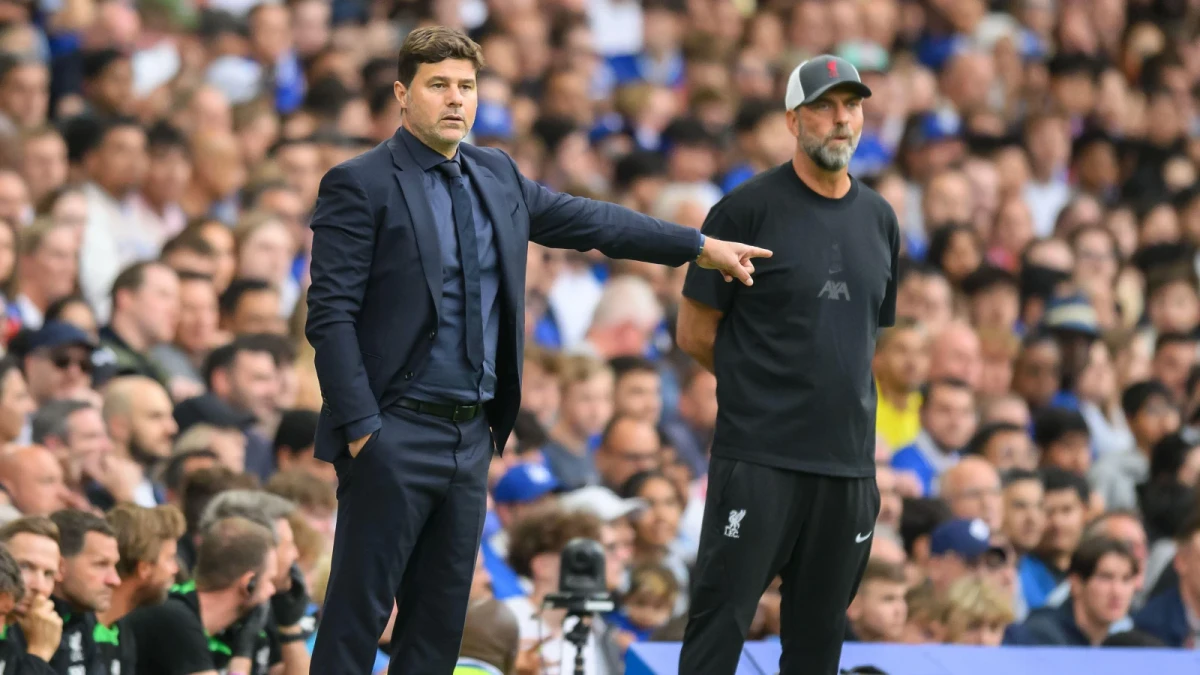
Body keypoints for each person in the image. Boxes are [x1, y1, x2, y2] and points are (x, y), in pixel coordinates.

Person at [304, 26, 769, 673]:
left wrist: (696, 245)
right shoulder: (360, 182)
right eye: (438, 85)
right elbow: (330, 316)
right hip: (394, 431)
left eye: (466, 86)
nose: (456, 99)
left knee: (438, 630)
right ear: (402, 94)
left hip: (472, 438)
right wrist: (362, 432)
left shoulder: (496, 174)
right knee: (356, 622)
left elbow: (595, 222)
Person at [674, 55, 897, 675]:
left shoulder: (881, 219)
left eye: (851, 106)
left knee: (819, 644)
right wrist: (764, 391)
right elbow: (694, 332)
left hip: (848, 466)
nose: (841, 119)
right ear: (793, 120)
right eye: (824, 106)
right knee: (719, 626)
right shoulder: (745, 209)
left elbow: (861, 338)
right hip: (761, 457)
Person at [123, 516, 278, 675]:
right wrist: (243, 655)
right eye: (269, 581)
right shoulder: (174, 618)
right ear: (249, 583)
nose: (272, 590)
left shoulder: (194, 615)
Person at [98, 504, 187, 674]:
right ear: (144, 568)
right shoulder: (75, 630)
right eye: (169, 559)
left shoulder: (123, 632)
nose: (175, 569)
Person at [46, 509, 121, 675]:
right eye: (101, 564)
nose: (115, 580)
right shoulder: (20, 625)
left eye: (114, 565)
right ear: (59, 566)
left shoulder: (83, 617)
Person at [0, 525, 60, 673]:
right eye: (25, 566)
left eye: (48, 574)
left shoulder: (48, 629)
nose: (39, 586)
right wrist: (39, 654)